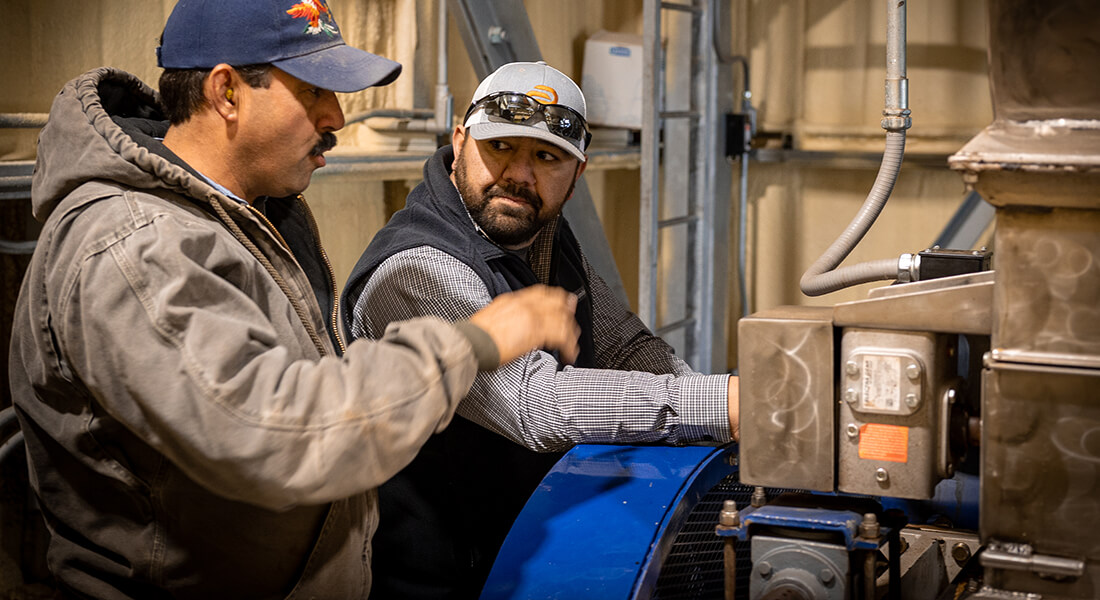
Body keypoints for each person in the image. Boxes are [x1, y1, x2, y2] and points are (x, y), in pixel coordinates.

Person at [7, 2, 581, 599]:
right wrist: (475, 340)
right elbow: (279, 435)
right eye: (313, 91)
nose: (337, 115)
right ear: (226, 92)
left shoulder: (243, 217)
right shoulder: (137, 251)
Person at [342, 61, 741, 599]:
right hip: (430, 576)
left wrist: (720, 412)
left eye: (546, 157)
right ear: (459, 143)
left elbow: (628, 346)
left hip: (518, 549)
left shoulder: (545, 239)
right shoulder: (419, 269)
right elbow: (535, 403)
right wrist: (720, 403)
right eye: (500, 147)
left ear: (575, 177)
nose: (519, 174)